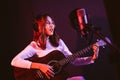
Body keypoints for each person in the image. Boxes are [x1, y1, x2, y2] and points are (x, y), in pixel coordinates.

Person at [11, 13, 99, 80]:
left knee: (80, 79)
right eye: (48, 23)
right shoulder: (35, 45)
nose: (52, 25)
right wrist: (40, 66)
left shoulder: (59, 42)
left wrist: (92, 58)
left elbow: (73, 60)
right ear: (40, 27)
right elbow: (15, 61)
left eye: (52, 23)